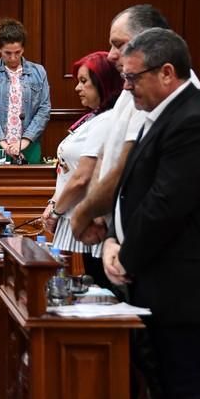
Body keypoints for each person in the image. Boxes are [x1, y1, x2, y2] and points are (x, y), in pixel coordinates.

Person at [103, 27, 200, 399]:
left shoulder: (192, 121)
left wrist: (124, 257)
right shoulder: (163, 116)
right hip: (165, 287)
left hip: (190, 294)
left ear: (167, 72)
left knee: (190, 391)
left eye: (133, 78)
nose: (128, 87)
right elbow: (131, 192)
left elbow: (165, 206)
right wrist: (110, 237)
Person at [70, 4, 200, 244]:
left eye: (119, 44)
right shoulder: (131, 85)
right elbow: (106, 154)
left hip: (159, 247)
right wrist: (104, 220)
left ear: (153, 40)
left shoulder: (166, 94)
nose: (111, 54)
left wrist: (84, 212)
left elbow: (127, 167)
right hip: (125, 238)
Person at [41, 52, 122, 285]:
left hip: (97, 222)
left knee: (103, 285)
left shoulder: (107, 120)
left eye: (84, 81)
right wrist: (54, 202)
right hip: (83, 218)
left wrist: (57, 211)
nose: (77, 87)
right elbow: (68, 169)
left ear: (103, 83)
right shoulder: (93, 119)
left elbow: (82, 178)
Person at [0, 18, 51, 164]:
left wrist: (23, 142)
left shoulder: (38, 72)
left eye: (17, 52)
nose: (13, 58)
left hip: (29, 144)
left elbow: (44, 109)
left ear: (23, 48)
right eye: (7, 53)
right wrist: (4, 144)